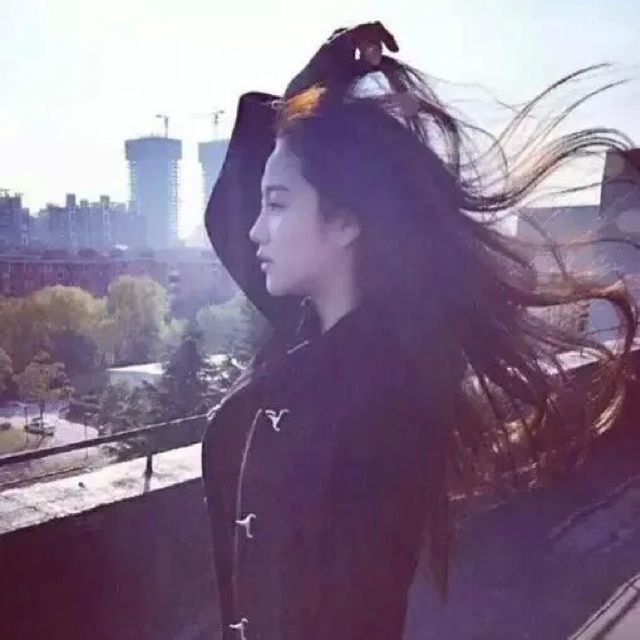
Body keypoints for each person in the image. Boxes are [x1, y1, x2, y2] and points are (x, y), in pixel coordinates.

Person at [201, 22, 637, 640]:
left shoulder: (380, 400)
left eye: (275, 204)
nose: (254, 228)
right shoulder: (330, 338)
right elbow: (233, 216)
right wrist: (318, 82)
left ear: (347, 220)